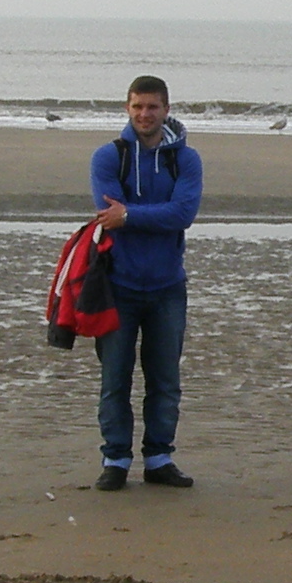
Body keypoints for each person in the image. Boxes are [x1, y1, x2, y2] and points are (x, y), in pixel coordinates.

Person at [88, 75, 204, 491]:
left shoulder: (186, 160)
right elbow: (108, 216)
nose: (144, 114)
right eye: (137, 106)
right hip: (117, 286)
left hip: (167, 287)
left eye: (152, 106)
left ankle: (159, 459)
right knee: (114, 380)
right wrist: (139, 216)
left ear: (166, 110)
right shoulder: (109, 157)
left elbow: (183, 214)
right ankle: (115, 460)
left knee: (165, 381)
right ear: (127, 108)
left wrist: (131, 215)